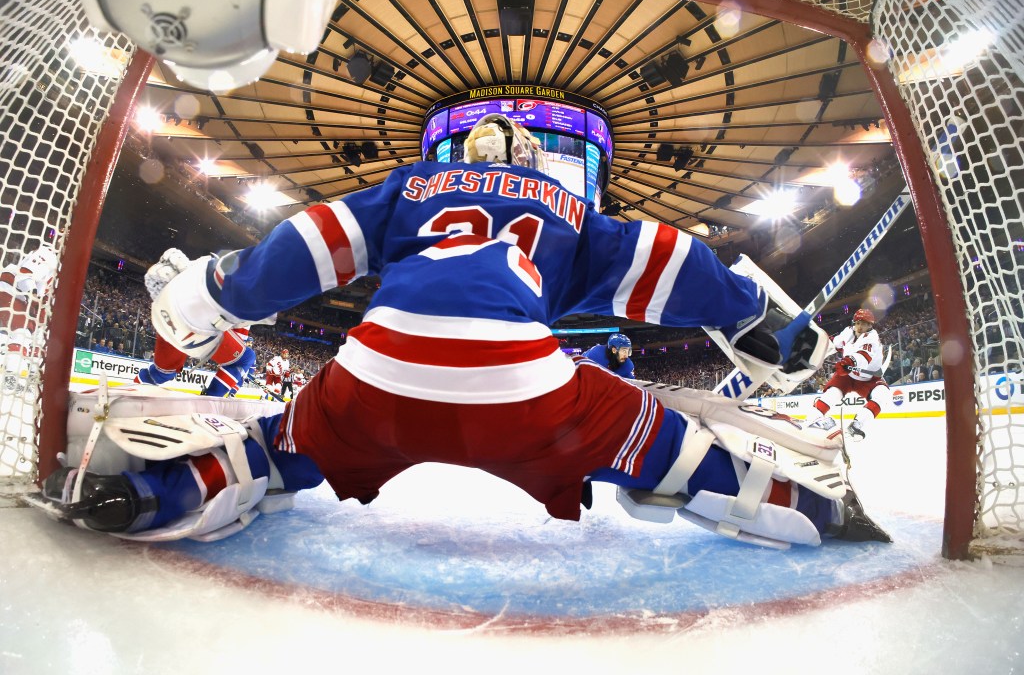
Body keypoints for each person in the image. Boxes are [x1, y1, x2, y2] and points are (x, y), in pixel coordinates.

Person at [36, 114, 887, 548]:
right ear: (529, 162)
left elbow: (309, 245)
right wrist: (769, 322)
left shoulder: (410, 188)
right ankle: (808, 508)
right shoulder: (569, 207)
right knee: (664, 441)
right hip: (525, 390)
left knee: (280, 444)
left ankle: (152, 495)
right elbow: (674, 263)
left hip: (378, 369)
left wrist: (216, 290)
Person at [133, 249, 256, 398]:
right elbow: (237, 355)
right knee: (244, 359)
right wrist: (237, 378)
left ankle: (131, 390)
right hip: (195, 322)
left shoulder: (207, 261)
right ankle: (207, 402)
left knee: (163, 374)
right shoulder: (248, 293)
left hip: (165, 314)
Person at [807, 308, 892, 440]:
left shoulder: (872, 338)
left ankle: (856, 425)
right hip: (847, 375)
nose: (860, 326)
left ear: (870, 325)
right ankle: (813, 418)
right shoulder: (848, 332)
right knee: (832, 394)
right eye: (858, 323)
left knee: (883, 395)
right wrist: (818, 350)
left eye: (864, 323)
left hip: (868, 379)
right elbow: (834, 344)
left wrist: (848, 362)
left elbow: (863, 357)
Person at [0, 243, 58, 391]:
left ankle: (31, 376)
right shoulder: (49, 253)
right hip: (11, 290)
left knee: (35, 338)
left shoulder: (61, 268)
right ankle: (11, 377)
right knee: (22, 333)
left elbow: (44, 296)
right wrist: (33, 296)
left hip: (19, 296)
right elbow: (25, 275)